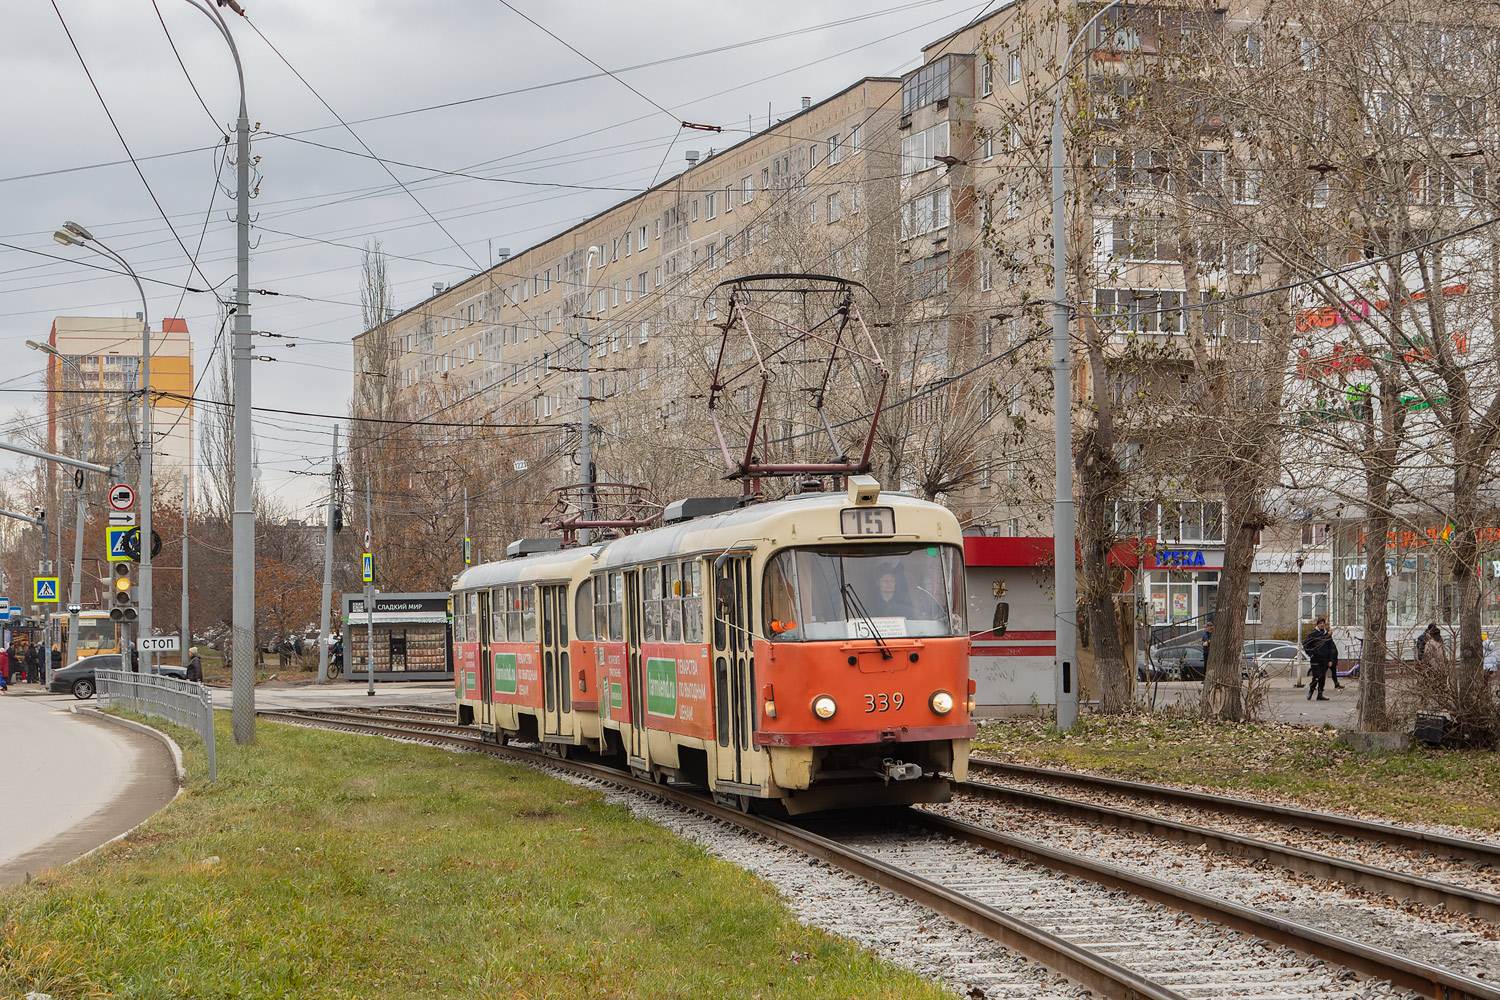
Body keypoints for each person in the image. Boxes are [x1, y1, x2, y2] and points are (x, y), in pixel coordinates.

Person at [1302, 617, 1337, 701]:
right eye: (1320, 623)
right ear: (1317, 624)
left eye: (1323, 623)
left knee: (1322, 677)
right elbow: (1306, 645)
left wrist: (1330, 660)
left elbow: (1331, 648)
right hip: (1315, 659)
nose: (1322, 625)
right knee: (1316, 676)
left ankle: (1320, 694)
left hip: (1324, 659)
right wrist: (1310, 654)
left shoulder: (1327, 636)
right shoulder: (1313, 634)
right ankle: (1311, 691)